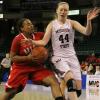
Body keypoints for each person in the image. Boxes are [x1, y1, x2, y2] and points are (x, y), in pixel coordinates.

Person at [32, 2, 100, 100]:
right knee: (70, 83)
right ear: (57, 11)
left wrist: (88, 21)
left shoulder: (72, 23)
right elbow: (43, 41)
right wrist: (32, 42)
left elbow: (87, 32)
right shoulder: (52, 25)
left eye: (65, 10)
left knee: (78, 91)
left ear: (68, 12)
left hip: (72, 57)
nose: (63, 12)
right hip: (58, 57)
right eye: (61, 9)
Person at [0, 18, 64, 100]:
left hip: (36, 68)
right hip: (21, 68)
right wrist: (28, 58)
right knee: (11, 92)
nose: (31, 25)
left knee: (54, 81)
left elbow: (53, 38)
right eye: (28, 24)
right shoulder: (17, 39)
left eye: (31, 24)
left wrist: (47, 51)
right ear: (22, 28)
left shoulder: (39, 35)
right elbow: (13, 57)